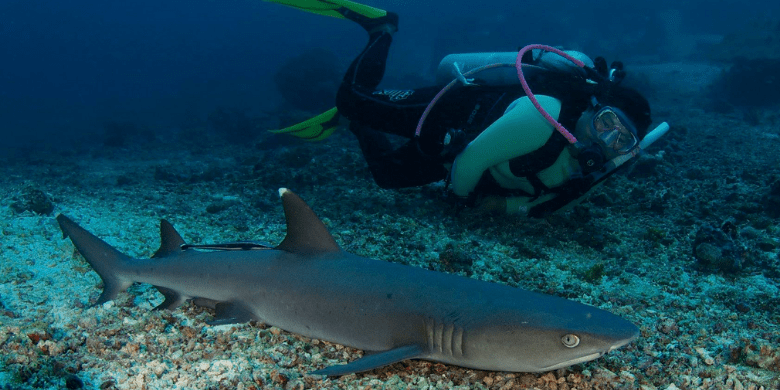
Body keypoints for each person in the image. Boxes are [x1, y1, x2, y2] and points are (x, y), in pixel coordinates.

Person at [268, 0, 662, 218]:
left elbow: (541, 204)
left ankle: (356, 120)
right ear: (594, 107)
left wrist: (495, 205)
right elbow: (472, 160)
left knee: (386, 176)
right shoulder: (541, 115)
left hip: (448, 155)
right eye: (606, 123)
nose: (605, 139)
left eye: (619, 138)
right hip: (449, 113)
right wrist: (459, 199)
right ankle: (381, 28)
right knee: (352, 97)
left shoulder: (595, 173)